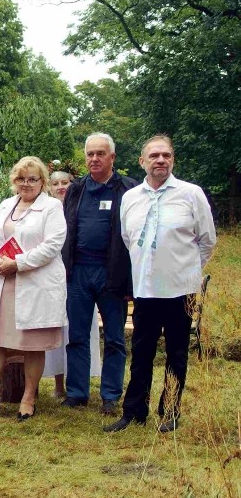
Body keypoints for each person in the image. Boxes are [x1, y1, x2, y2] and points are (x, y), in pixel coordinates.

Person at [105, 135, 216, 433]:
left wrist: (184, 268)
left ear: (173, 160)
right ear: (142, 161)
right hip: (145, 288)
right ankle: (133, 412)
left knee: (176, 353)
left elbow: (207, 241)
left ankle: (170, 411)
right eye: (154, 156)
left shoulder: (190, 194)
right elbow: (129, 240)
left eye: (166, 155)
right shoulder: (131, 198)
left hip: (181, 289)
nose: (160, 160)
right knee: (141, 352)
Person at [0, 156, 67, 421]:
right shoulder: (7, 204)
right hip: (3, 282)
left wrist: (18, 263)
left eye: (33, 179)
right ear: (15, 181)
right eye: (21, 179)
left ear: (42, 182)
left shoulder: (51, 208)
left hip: (35, 283)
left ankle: (28, 398)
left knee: (32, 344)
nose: (27, 184)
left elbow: (52, 245)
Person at [61, 133, 139, 415]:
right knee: (77, 335)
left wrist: (130, 280)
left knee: (115, 339)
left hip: (112, 273)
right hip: (79, 272)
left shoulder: (129, 189)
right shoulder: (76, 189)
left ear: (112, 158)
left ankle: (110, 395)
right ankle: (77, 393)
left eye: (100, 154)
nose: (94, 159)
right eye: (90, 154)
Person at [43, 165, 102, 398]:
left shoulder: (81, 205)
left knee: (79, 332)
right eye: (55, 184)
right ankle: (58, 385)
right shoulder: (46, 209)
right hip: (52, 280)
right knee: (57, 330)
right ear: (49, 187)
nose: (60, 187)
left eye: (64, 183)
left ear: (72, 184)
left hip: (80, 276)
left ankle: (79, 383)